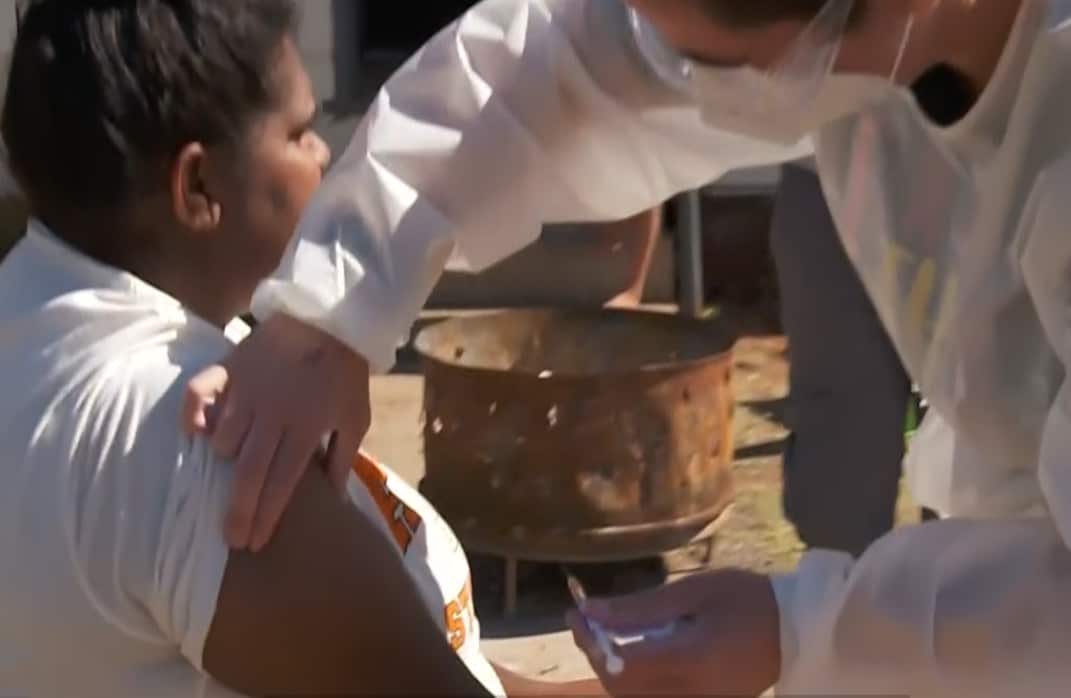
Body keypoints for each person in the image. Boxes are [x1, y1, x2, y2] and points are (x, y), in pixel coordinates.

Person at [183, 0, 1071, 695]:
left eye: (726, 65)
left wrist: (804, 628)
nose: (674, 80)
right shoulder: (859, 45)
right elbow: (544, 62)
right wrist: (328, 311)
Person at [0, 1, 605, 696]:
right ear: (198, 187)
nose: (326, 156)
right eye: (299, 133)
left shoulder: (45, 335)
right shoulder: (203, 433)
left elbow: (375, 656)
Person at [771, 157, 912, 556]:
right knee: (840, 483)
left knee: (991, 472)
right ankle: (838, 605)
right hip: (836, 166)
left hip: (1001, 162)